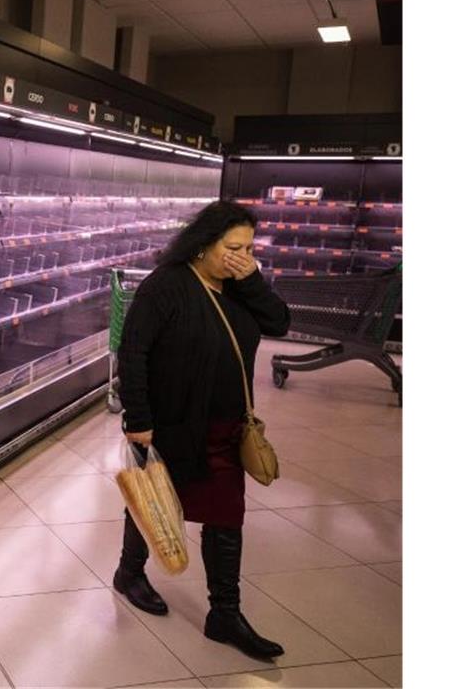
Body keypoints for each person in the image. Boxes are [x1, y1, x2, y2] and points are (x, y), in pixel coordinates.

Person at [113, 199, 291, 661]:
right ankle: (129, 572)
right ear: (202, 245)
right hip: (172, 425)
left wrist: (252, 280)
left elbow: (279, 322)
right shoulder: (166, 287)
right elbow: (133, 353)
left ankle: (225, 614)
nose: (242, 256)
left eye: (249, 248)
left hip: (226, 428)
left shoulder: (240, 287)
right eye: (233, 247)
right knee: (154, 503)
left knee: (227, 514)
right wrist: (139, 421)